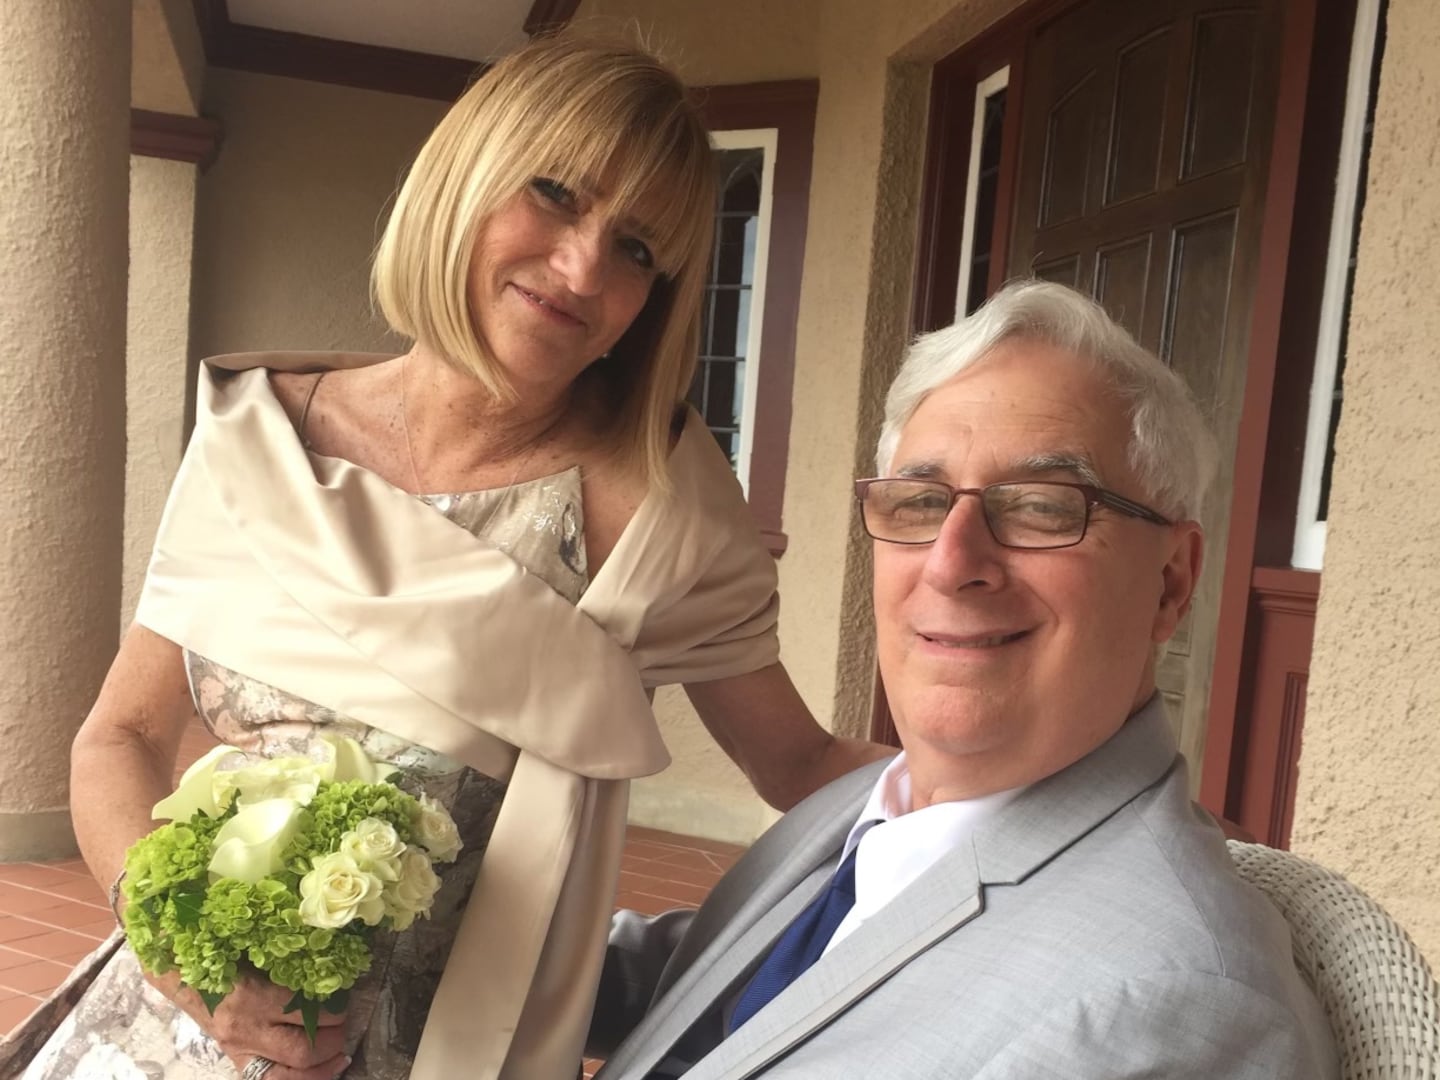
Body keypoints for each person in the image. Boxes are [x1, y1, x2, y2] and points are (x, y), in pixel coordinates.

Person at [4, 33, 887, 1080]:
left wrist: (1054, 775)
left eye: (640, 250)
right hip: (167, 1031)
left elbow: (800, 765)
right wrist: (178, 960)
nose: (583, 268)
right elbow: (122, 736)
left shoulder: (661, 511)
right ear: (463, 178)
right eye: (556, 192)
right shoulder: (256, 441)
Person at [587, 281, 1340, 1079]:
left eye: (1044, 508)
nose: (951, 563)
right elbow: (731, 995)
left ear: (1170, 584)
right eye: (919, 502)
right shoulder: (881, 798)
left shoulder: (1178, 1008)